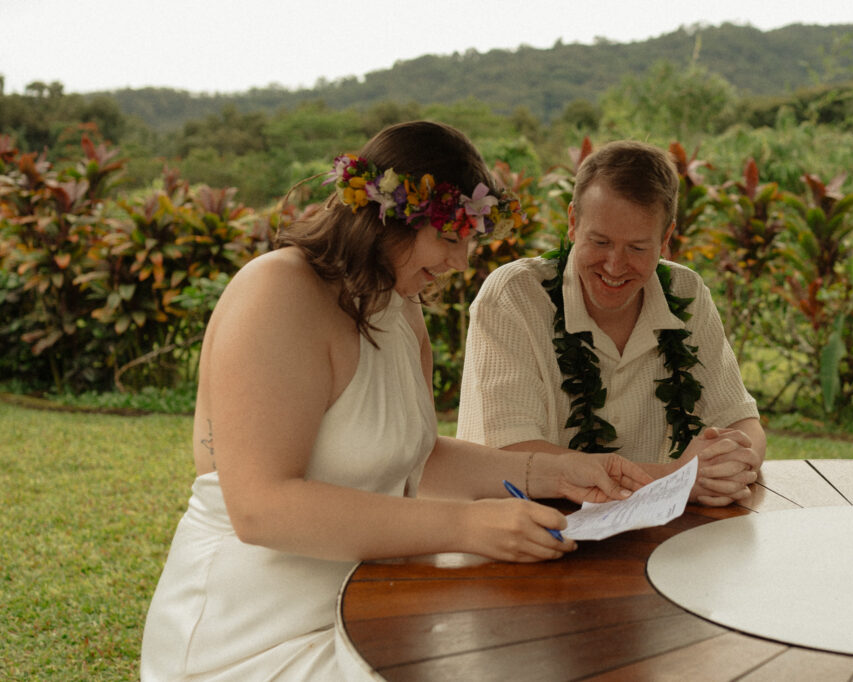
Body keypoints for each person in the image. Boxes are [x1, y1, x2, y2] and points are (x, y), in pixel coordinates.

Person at [140, 121, 652, 681]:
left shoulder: (401, 308)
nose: (461, 264)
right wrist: (466, 527)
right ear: (391, 216)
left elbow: (420, 456)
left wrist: (557, 472)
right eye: (451, 239)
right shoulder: (278, 292)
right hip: (253, 633)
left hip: (371, 607)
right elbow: (261, 507)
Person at [456, 140, 765, 507]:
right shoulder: (513, 297)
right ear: (573, 222)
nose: (615, 266)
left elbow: (741, 422)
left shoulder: (687, 291)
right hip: (523, 535)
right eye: (600, 241)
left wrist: (732, 463)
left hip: (651, 537)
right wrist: (676, 479)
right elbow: (515, 458)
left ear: (666, 239)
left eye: (636, 248)